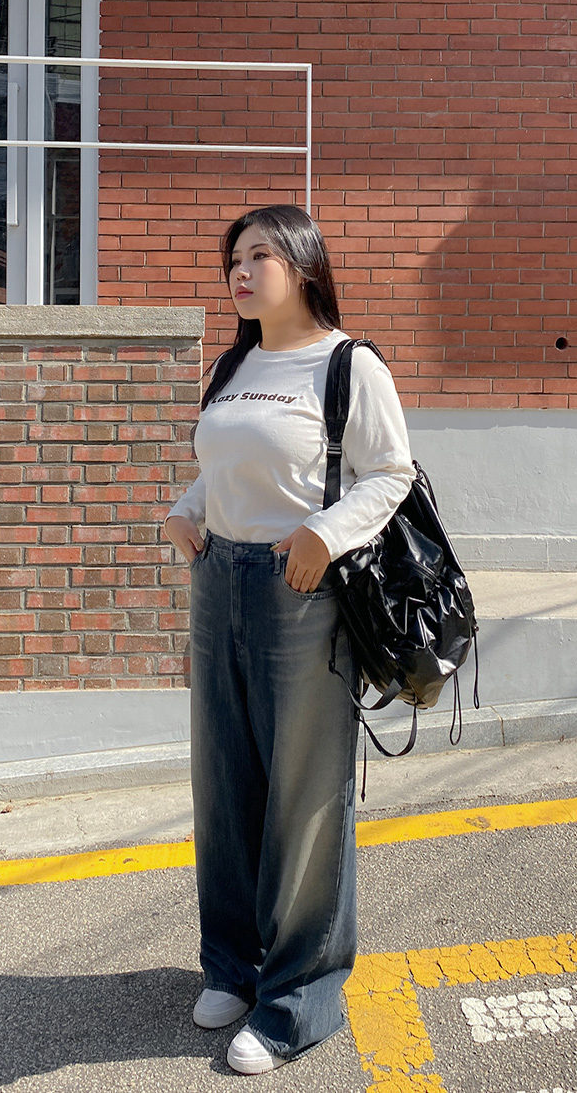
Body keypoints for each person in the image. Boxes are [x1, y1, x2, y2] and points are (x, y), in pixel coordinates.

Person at [164, 204, 416, 1075]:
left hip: (302, 589)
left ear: (304, 265)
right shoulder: (235, 365)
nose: (241, 270)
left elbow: (390, 473)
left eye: (260, 255)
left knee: (303, 795)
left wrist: (323, 534)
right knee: (224, 783)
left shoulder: (348, 364)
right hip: (219, 581)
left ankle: (299, 998)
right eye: (233, 257)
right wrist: (185, 512)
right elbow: (224, 466)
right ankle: (232, 966)